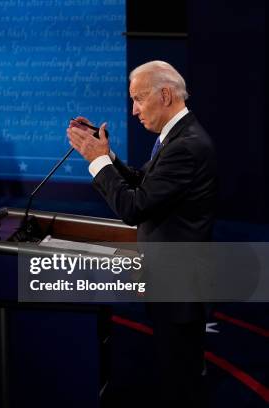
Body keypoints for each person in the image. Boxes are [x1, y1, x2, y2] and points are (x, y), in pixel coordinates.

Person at [67, 60, 218, 406]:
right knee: (176, 371)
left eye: (138, 98)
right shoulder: (179, 136)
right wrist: (105, 154)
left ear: (165, 94)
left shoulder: (186, 146)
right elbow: (145, 184)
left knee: (181, 381)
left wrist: (97, 162)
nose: (133, 110)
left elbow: (134, 207)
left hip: (179, 286)